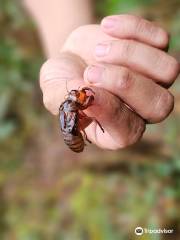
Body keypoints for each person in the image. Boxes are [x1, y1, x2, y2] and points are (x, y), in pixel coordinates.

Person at [23, 0, 179, 150]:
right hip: (74, 136)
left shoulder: (74, 107)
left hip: (74, 134)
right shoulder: (75, 110)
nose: (76, 92)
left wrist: (71, 44)